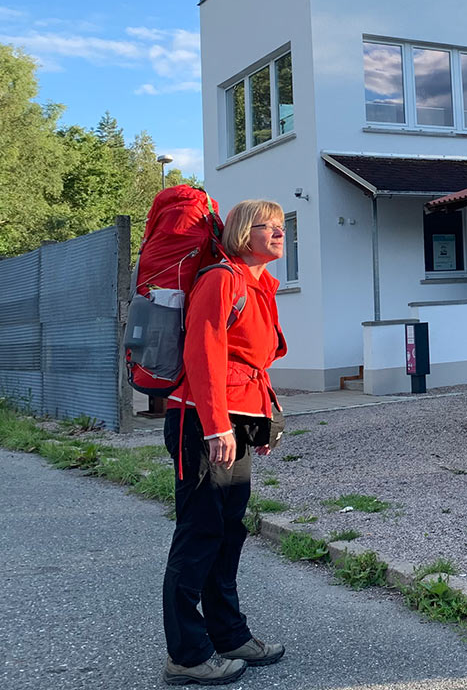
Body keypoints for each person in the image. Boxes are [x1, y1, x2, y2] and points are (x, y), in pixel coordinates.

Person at [161, 199, 288, 685]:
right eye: (268, 226)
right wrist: (216, 426)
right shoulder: (221, 279)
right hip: (200, 421)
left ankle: (229, 635)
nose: (279, 233)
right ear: (240, 233)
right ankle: (187, 655)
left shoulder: (259, 285)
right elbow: (203, 354)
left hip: (233, 419)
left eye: (281, 226)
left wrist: (260, 425)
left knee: (229, 529)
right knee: (199, 534)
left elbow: (249, 363)